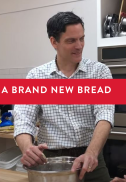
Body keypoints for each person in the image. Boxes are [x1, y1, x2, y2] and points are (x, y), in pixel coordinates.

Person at [13, 11, 114, 182]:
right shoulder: (36, 76)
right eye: (71, 40)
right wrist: (28, 148)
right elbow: (23, 119)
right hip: (51, 162)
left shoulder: (99, 72)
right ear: (54, 42)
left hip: (90, 159)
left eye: (81, 38)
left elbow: (105, 114)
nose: (79, 45)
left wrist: (91, 152)